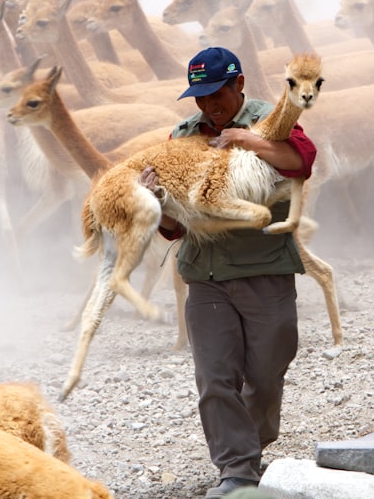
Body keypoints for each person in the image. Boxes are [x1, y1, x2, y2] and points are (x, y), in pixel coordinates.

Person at [138, 46, 317, 498]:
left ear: (238, 84)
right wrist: (154, 201)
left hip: (265, 267)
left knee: (268, 370)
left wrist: (244, 139)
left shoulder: (269, 118)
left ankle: (249, 445)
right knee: (216, 376)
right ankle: (237, 469)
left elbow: (300, 162)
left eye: (216, 94)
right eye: (199, 98)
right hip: (206, 275)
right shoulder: (183, 136)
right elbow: (174, 228)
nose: (208, 106)